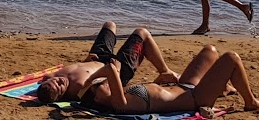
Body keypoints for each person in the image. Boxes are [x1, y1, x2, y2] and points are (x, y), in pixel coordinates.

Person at [37, 25, 259, 115]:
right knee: (231, 58)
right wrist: (102, 76)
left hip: (182, 86)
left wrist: (97, 79)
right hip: (193, 97)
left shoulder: (103, 94)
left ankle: (224, 86)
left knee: (210, 49)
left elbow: (106, 76)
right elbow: (114, 86)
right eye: (100, 90)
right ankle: (250, 101)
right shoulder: (114, 101)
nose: (103, 89)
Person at [33, 21, 183, 104]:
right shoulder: (79, 90)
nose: (59, 81)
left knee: (109, 25)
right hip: (115, 67)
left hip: (97, 58)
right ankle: (164, 72)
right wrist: (116, 70)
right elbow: (105, 87)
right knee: (141, 33)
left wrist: (86, 62)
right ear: (62, 96)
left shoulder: (48, 79)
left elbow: (41, 82)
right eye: (60, 86)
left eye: (54, 80)